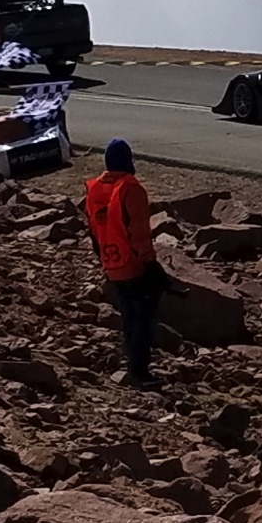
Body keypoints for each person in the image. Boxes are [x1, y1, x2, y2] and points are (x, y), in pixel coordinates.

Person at [83, 137, 168, 389]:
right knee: (144, 318)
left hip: (112, 264)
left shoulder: (95, 189)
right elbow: (139, 232)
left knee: (130, 317)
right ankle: (139, 371)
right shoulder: (131, 188)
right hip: (134, 265)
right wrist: (152, 265)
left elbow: (94, 231)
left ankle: (132, 364)